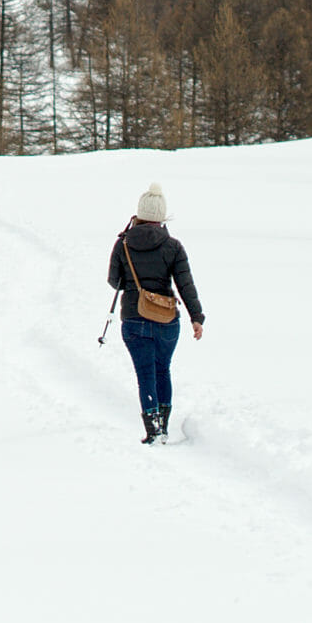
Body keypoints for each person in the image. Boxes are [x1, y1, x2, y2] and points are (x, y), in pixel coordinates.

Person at [107, 182, 204, 443]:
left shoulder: (123, 243)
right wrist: (197, 318)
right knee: (163, 369)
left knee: (145, 373)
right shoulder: (173, 246)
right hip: (166, 320)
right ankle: (164, 425)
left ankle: (153, 428)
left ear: (138, 214)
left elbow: (114, 282)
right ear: (162, 217)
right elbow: (186, 285)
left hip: (134, 319)